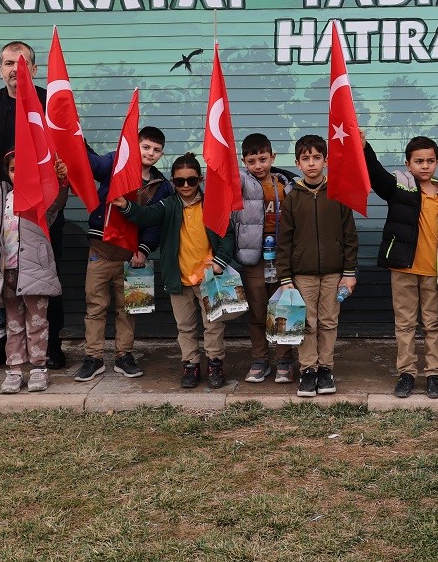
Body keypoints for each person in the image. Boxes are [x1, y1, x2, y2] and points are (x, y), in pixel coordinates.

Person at [0, 42, 67, 371]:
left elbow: (74, 148)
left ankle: (52, 344)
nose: (14, 69)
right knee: (1, 277)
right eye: (8, 63)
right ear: (0, 69)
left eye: (21, 64)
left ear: (34, 70)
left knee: (45, 275)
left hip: (43, 211)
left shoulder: (51, 103)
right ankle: (2, 345)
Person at [116, 153, 238, 389]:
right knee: (185, 326)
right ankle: (190, 364)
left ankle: (215, 363)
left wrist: (220, 261)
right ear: (172, 181)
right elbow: (147, 215)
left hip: (209, 278)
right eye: (180, 181)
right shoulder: (169, 204)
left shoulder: (212, 204)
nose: (186, 186)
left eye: (191, 180)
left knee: (213, 325)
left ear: (200, 179)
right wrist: (126, 206)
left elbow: (227, 235)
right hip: (179, 279)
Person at [364, 137, 438, 400]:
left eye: (430, 161)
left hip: (434, 274)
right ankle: (407, 373)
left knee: (433, 325)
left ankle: (435, 374)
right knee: (405, 324)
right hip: (404, 271)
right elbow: (376, 175)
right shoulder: (400, 188)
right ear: (408, 163)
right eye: (418, 161)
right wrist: (364, 147)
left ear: (437, 162)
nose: (425, 166)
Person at [75, 125, 170, 382]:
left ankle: (124, 355)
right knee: (95, 306)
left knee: (129, 309)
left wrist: (144, 249)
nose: (150, 153)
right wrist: (78, 141)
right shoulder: (115, 163)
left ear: (162, 154)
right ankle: (93, 357)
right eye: (145, 147)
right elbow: (92, 165)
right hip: (100, 251)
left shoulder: (161, 186)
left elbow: (155, 224)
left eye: (156, 150)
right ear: (135, 146)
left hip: (131, 258)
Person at [276, 134, 358, 398]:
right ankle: (308, 370)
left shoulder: (338, 195)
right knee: (307, 322)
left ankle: (326, 369)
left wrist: (349, 273)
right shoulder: (292, 199)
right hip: (303, 275)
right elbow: (284, 242)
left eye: (316, 157)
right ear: (297, 163)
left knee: (329, 322)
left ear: (326, 160)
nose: (311, 163)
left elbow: (350, 237)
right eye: (305, 158)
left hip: (335, 274)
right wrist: (285, 277)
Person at [0, 150, 69, 394]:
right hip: (7, 272)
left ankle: (39, 367)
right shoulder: (1, 198)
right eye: (12, 170)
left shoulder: (41, 198)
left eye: (23, 169)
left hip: (34, 271)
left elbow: (58, 201)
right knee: (13, 324)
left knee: (37, 322)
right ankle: (15, 369)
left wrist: (61, 180)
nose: (17, 174)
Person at [233, 133, 298, 384]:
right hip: (254, 258)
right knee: (258, 311)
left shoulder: (287, 185)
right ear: (244, 162)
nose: (258, 166)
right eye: (251, 161)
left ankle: (284, 359)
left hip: (282, 259)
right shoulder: (241, 182)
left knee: (282, 308)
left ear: (273, 157)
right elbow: (226, 180)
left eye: (263, 159)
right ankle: (260, 359)